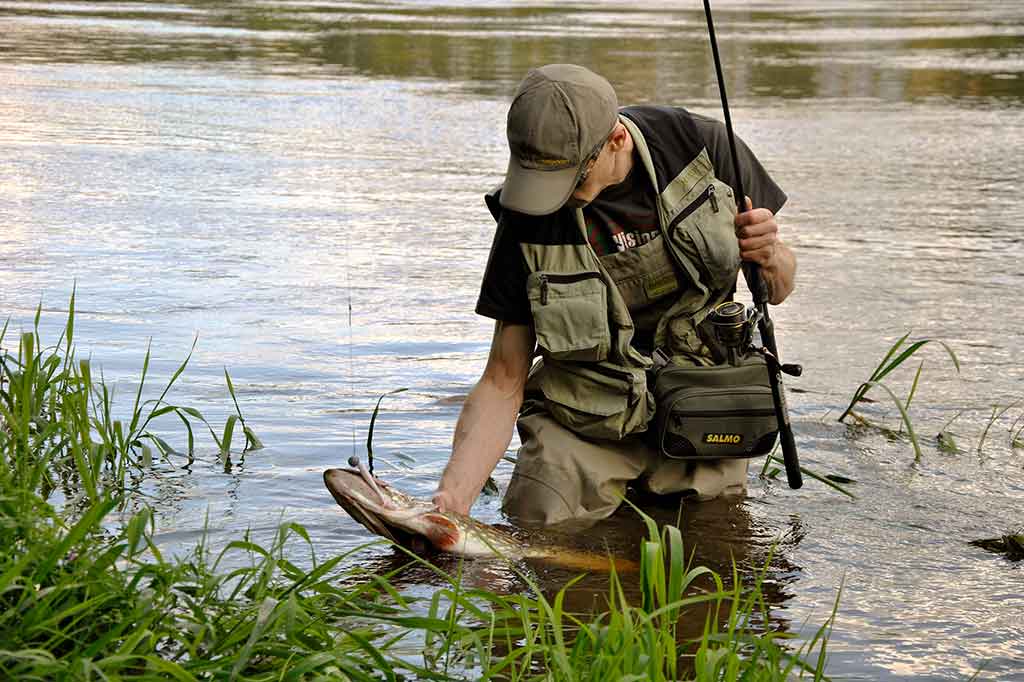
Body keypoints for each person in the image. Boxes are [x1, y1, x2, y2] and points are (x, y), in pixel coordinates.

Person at [432, 64, 796, 527]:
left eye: (569, 179)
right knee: (538, 532)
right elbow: (503, 380)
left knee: (715, 545)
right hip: (583, 419)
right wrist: (451, 501)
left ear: (617, 140)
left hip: (701, 411)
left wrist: (771, 255)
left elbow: (779, 289)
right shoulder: (527, 210)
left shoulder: (701, 147)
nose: (551, 197)